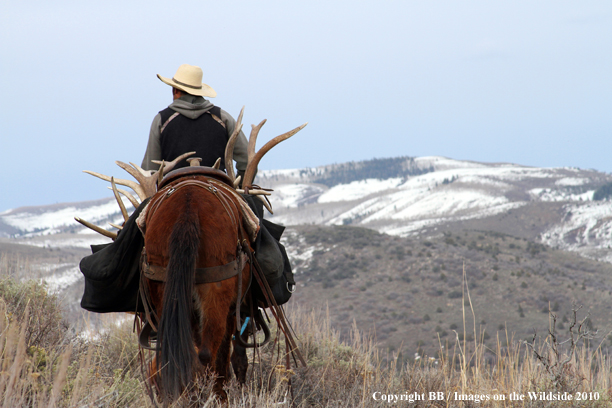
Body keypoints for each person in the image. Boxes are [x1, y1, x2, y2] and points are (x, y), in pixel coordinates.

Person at [141, 64, 250, 181]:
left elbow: (149, 169)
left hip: (172, 187)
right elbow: (246, 162)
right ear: (199, 92)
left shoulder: (162, 120)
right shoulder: (223, 118)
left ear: (175, 90)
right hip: (217, 184)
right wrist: (238, 186)